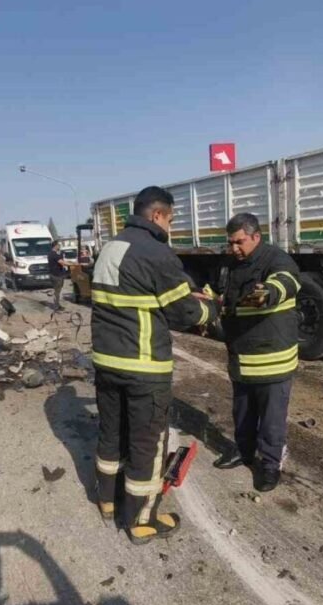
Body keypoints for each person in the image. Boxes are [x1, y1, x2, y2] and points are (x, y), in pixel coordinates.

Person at [91, 186, 217, 545]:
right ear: (157, 215)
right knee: (147, 443)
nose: (170, 227)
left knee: (111, 434)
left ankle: (107, 501)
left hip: (106, 363)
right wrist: (210, 309)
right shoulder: (156, 252)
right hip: (143, 367)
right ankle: (142, 520)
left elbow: (135, 294)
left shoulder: (111, 247)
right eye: (170, 220)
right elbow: (185, 312)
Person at [213, 212, 301, 492]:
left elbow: (287, 282)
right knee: (242, 412)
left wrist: (270, 292)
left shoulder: (276, 259)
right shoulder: (230, 264)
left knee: (272, 420)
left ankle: (270, 464)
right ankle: (244, 451)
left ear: (256, 237)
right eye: (230, 243)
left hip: (271, 359)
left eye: (239, 242)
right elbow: (221, 293)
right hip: (241, 356)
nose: (234, 248)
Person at [47, 240, 70, 311]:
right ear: (55, 246)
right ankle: (56, 306)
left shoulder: (50, 253)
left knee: (57, 291)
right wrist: (72, 264)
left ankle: (57, 305)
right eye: (59, 245)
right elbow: (62, 262)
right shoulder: (53, 254)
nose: (59, 246)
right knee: (57, 291)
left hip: (55, 274)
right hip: (56, 275)